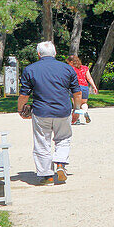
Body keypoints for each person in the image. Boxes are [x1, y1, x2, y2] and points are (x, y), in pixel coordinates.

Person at [17, 41, 81, 185]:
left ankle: (47, 176)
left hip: (41, 111)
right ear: (55, 53)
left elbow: (24, 95)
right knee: (63, 138)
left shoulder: (30, 69)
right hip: (63, 110)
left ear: (38, 54)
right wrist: (76, 110)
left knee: (42, 142)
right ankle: (60, 163)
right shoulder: (67, 69)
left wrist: (21, 110)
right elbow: (77, 93)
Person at [66, 55, 98, 125]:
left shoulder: (70, 69)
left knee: (76, 105)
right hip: (84, 87)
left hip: (75, 87)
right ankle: (85, 112)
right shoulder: (85, 68)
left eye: (68, 62)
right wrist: (94, 86)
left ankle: (76, 120)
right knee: (84, 103)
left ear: (71, 62)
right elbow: (89, 78)